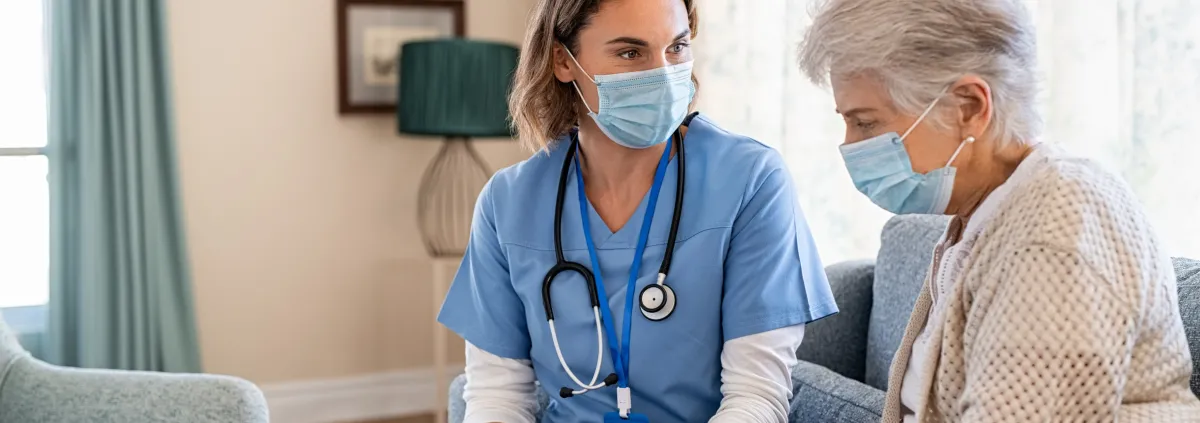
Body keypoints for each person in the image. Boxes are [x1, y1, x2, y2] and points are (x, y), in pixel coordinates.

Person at [796, 0, 1200, 421]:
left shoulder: (1053, 232)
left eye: (866, 123)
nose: (850, 146)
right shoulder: (987, 212)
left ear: (969, 106)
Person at [437, 0, 838, 422]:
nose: (663, 75)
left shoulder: (750, 180)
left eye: (677, 48)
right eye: (631, 53)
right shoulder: (508, 203)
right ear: (563, 61)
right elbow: (497, 398)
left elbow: (757, 397)